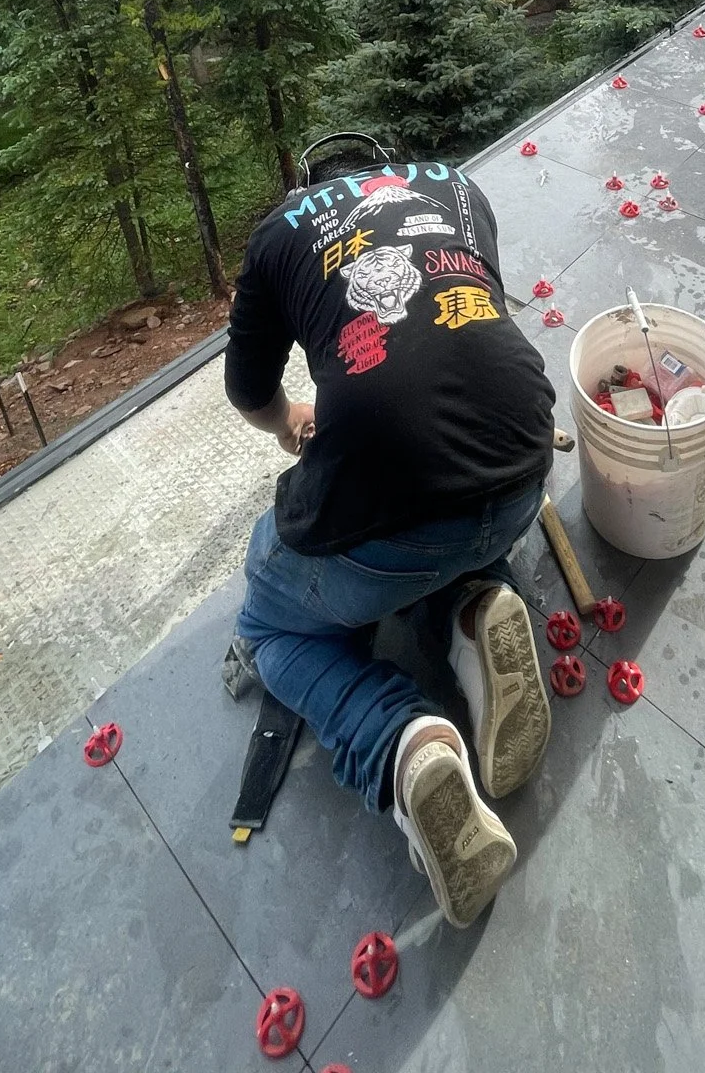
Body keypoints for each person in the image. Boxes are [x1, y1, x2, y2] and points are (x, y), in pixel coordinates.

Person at [225, 133, 556, 928]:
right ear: (391, 165)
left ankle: (405, 746)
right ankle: (478, 612)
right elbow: (464, 337)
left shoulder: (280, 232)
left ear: (307, 187)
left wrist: (287, 424)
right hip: (522, 469)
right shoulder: (457, 187)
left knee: (268, 621)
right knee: (438, 524)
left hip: (396, 508)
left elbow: (249, 391)